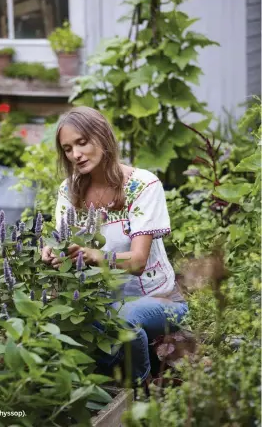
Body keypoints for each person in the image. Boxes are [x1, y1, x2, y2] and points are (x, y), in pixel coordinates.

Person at [41, 106, 188, 394]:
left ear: (103, 137)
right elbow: (62, 240)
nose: (76, 154)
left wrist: (95, 256)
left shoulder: (143, 185)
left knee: (120, 319)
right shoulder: (68, 190)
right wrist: (51, 250)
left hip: (160, 300)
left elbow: (137, 262)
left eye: (82, 142)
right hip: (100, 302)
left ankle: (139, 389)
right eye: (68, 149)